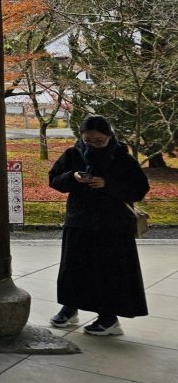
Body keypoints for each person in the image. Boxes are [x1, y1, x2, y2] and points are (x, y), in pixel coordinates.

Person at [48, 114, 150, 336]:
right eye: (88, 140)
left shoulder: (122, 157)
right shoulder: (73, 154)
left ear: (109, 136)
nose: (93, 145)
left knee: (109, 273)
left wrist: (108, 184)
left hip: (112, 227)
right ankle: (70, 307)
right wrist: (72, 177)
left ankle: (109, 319)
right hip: (79, 221)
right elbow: (54, 179)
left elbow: (140, 189)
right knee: (74, 269)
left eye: (99, 141)